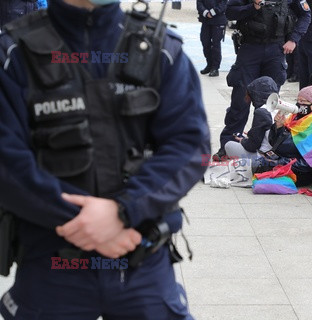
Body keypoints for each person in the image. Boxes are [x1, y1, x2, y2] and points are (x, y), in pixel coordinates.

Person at [0, 0, 210, 319]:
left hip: (141, 259)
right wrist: (90, 221)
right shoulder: (12, 53)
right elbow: (7, 163)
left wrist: (124, 210)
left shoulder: (160, 48)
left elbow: (191, 146)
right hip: (50, 262)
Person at [212, 0, 311, 161]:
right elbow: (229, 12)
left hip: (276, 49)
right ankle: (227, 146)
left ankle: (263, 146)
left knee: (269, 104)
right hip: (249, 49)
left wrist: (294, 39)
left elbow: (306, 14)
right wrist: (253, 7)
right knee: (240, 101)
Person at [267, 85, 312, 186]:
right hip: (283, 163)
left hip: (298, 173)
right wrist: (278, 127)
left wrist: (279, 163)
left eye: (303, 102)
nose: (299, 104)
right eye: (298, 100)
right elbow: (274, 144)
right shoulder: (296, 118)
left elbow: (307, 163)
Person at [225, 76, 279, 165]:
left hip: (264, 159)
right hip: (277, 155)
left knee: (229, 145)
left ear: (255, 94)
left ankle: (250, 169)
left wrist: (242, 140)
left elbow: (252, 146)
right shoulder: (280, 107)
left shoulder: (262, 112)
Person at [196, 0, 227, 77]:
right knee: (205, 42)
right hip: (206, 20)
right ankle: (209, 65)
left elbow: (223, 4)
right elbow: (199, 2)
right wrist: (205, 12)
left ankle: (215, 68)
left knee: (215, 45)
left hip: (218, 20)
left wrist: (212, 12)